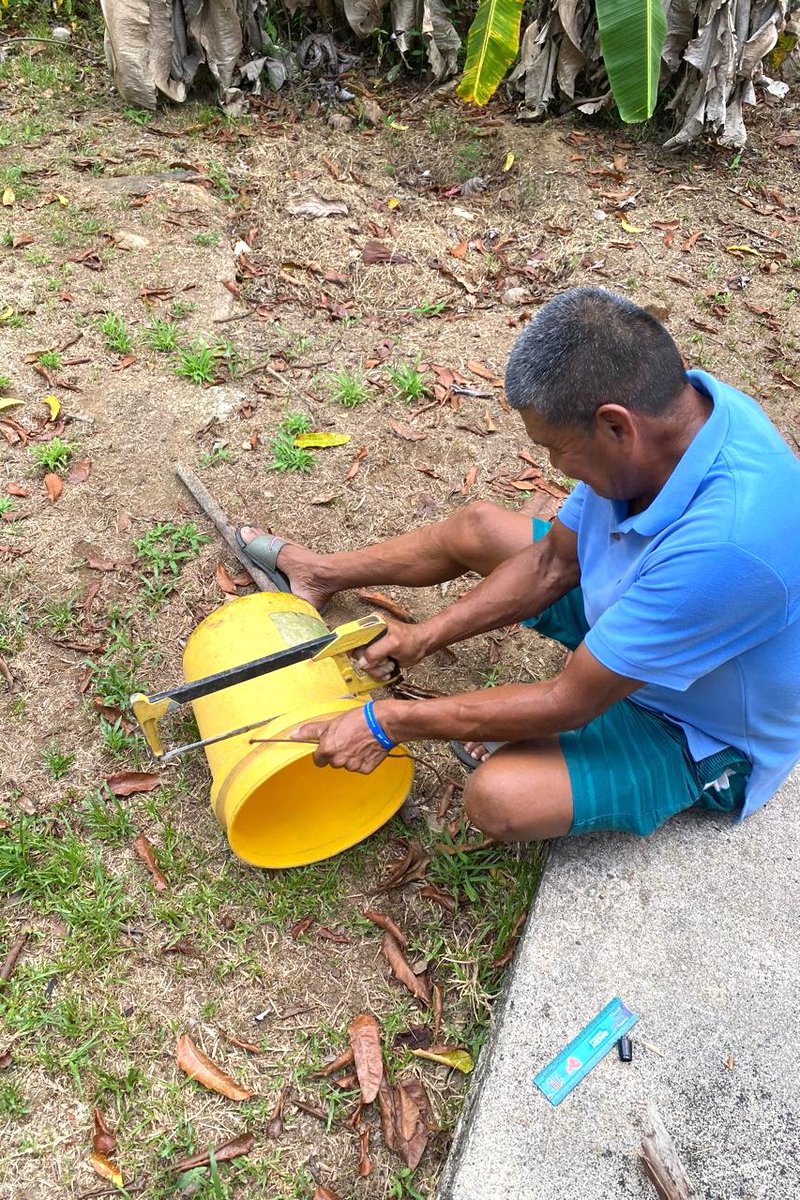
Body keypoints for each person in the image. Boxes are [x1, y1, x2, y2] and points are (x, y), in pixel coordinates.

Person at [238, 288, 800, 842]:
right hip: (643, 614)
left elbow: (569, 701)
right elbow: (552, 565)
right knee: (480, 528)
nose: (554, 466)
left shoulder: (725, 547)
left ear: (615, 425)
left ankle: (592, 749)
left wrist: (386, 722)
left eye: (556, 448)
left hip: (696, 724)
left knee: (501, 797)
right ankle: (320, 573)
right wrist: (424, 637)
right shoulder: (674, 418)